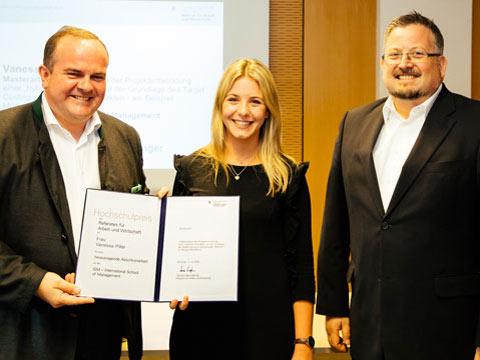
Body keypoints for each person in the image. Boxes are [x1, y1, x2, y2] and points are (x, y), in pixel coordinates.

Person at [316, 11, 480, 360]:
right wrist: (333, 305)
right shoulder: (354, 123)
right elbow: (337, 222)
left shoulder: (473, 124)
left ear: (442, 64)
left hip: (449, 330)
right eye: (395, 54)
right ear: (382, 63)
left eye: (418, 54)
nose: (405, 63)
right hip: (369, 326)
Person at [0, 26, 147, 360]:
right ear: (44, 74)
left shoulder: (126, 138)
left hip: (103, 327)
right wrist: (34, 281)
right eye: (74, 73)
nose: (86, 86)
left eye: (98, 76)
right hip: (25, 331)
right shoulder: (4, 135)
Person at [168, 58, 315, 360]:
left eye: (255, 102)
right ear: (220, 106)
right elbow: (176, 256)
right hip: (199, 331)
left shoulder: (288, 175)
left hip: (268, 332)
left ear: (268, 111)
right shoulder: (191, 169)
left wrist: (303, 342)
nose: (243, 111)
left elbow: (301, 266)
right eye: (233, 100)